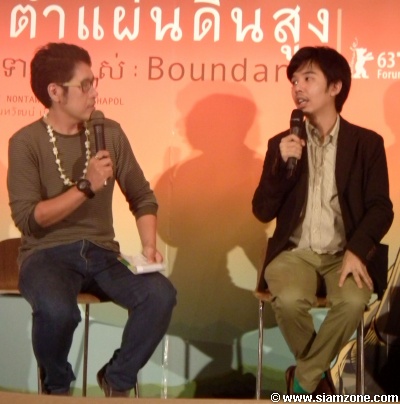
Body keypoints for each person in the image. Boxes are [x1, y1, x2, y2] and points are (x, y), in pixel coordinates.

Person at [7, 42, 176, 397]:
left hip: (102, 254)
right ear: (55, 92)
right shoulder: (25, 142)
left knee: (159, 295)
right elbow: (29, 220)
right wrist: (86, 187)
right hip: (46, 255)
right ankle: (57, 386)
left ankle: (117, 379)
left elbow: (142, 197)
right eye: (84, 85)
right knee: (58, 311)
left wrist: (148, 245)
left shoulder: (108, 133)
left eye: (94, 83)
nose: (94, 93)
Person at [252, 46, 393, 395]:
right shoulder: (282, 143)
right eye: (294, 81)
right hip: (294, 253)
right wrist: (279, 167)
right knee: (287, 300)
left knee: (355, 301)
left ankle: (303, 379)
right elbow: (262, 210)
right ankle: (319, 381)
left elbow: (381, 208)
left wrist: (357, 250)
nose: (298, 87)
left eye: (308, 78)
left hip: (345, 253)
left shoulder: (367, 144)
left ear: (335, 87)